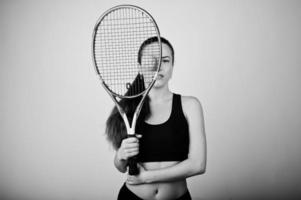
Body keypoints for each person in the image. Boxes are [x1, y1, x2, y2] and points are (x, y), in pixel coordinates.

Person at [105, 37, 207, 200]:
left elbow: (198, 164)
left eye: (165, 61)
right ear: (140, 67)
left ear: (172, 67)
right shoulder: (126, 108)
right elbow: (121, 168)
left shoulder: (190, 105)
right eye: (150, 60)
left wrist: (147, 177)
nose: (158, 66)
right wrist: (120, 155)